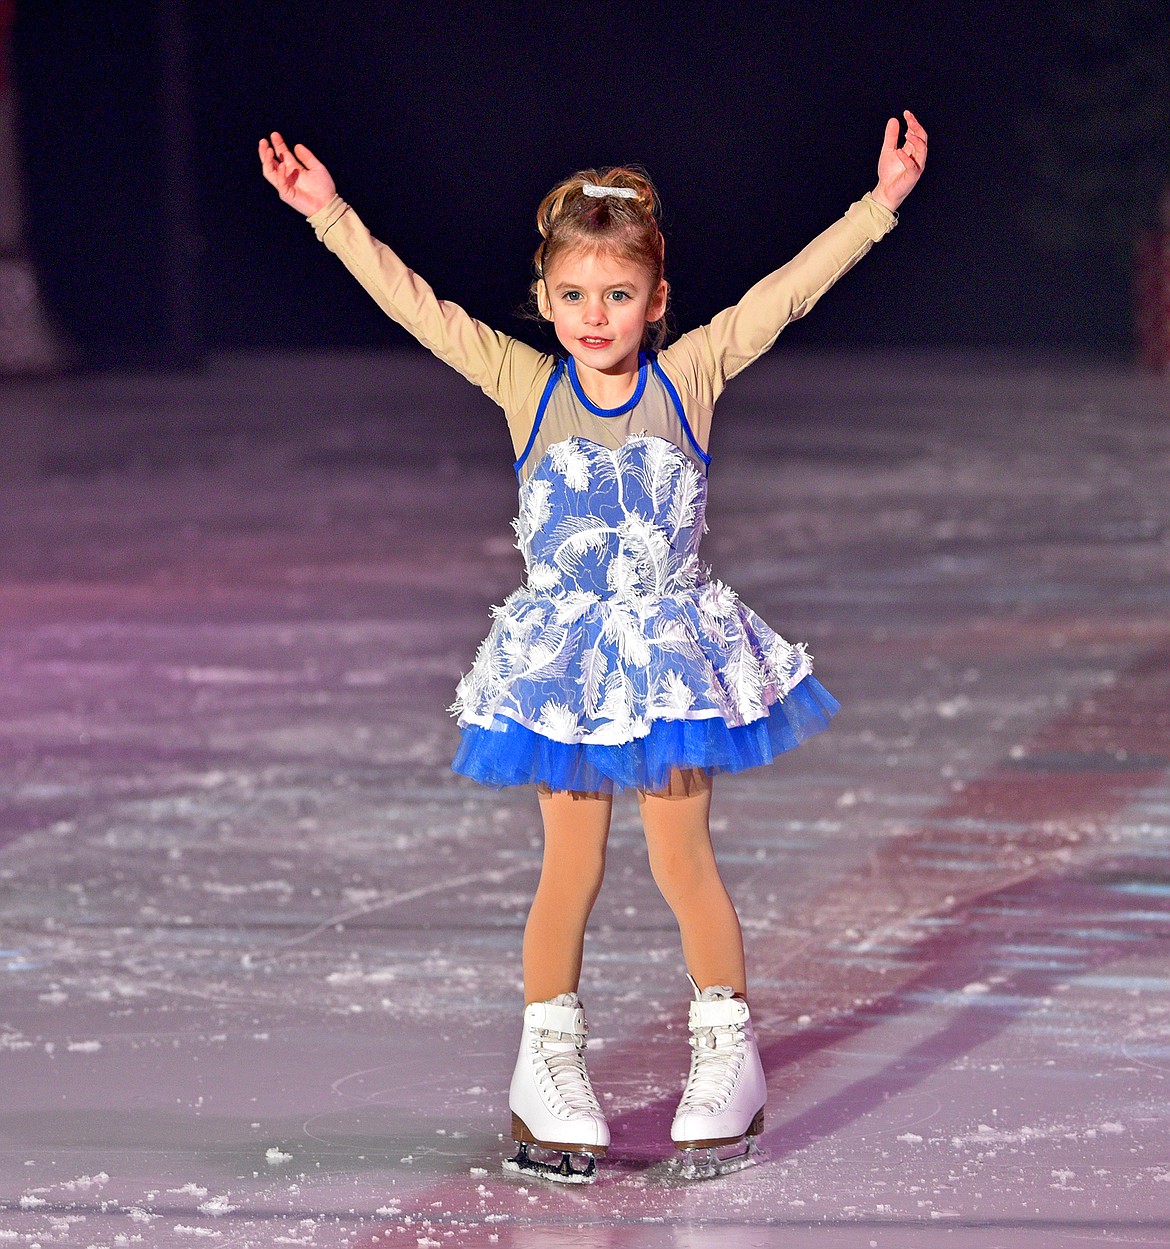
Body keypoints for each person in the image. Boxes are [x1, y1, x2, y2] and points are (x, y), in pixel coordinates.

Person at [259, 113, 927, 1182]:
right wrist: (329, 214)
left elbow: (789, 291)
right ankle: (547, 1070)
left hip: (669, 658)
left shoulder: (691, 375)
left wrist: (880, 203)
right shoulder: (528, 385)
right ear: (547, 300)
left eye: (617, 294)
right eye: (572, 295)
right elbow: (418, 308)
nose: (593, 315)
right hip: (562, 672)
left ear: (658, 302)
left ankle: (728, 1061)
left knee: (681, 861)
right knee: (568, 869)